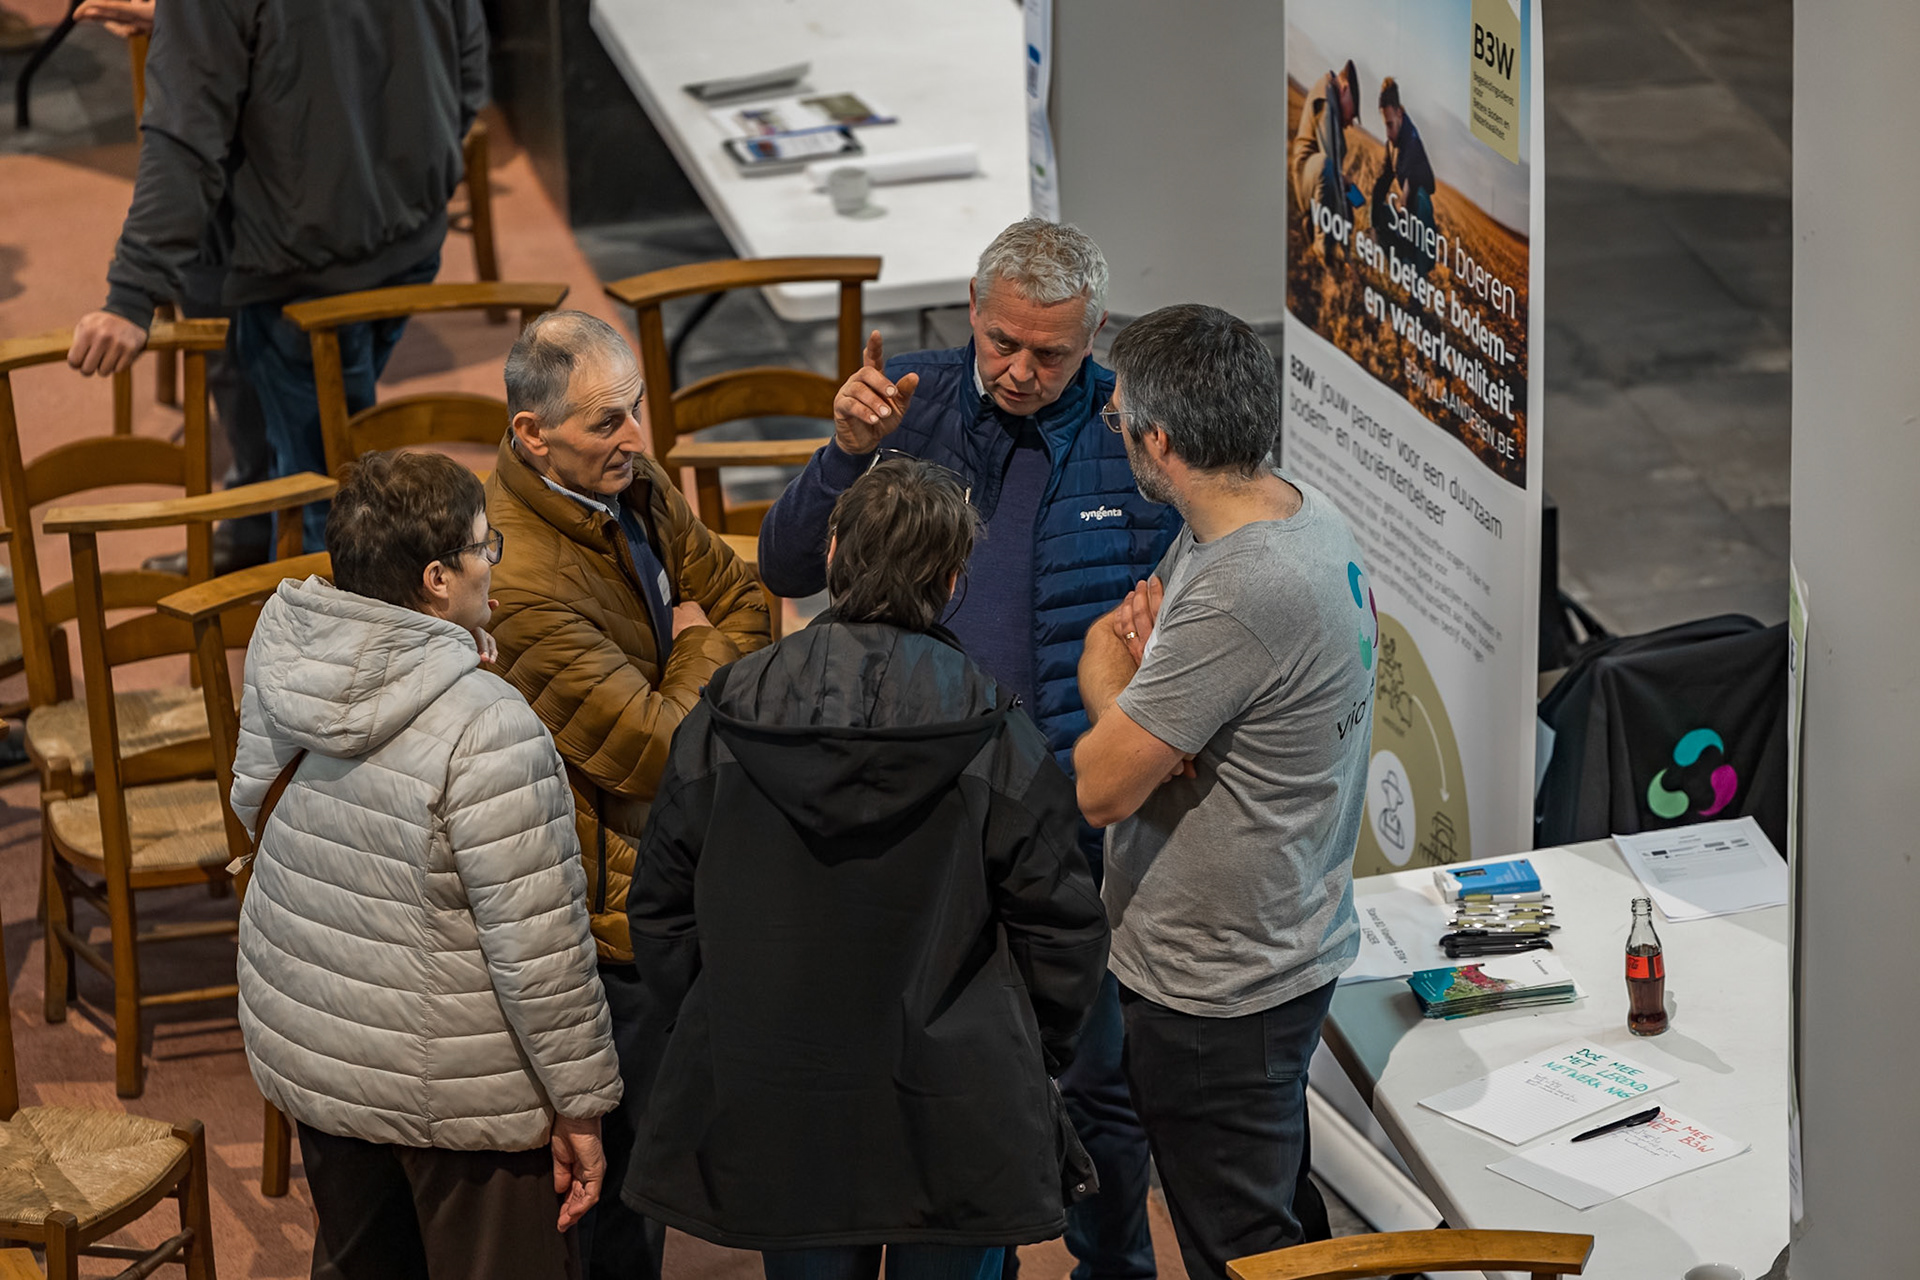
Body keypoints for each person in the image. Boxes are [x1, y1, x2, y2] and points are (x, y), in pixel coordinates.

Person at [758, 218, 1176, 1280]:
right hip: (914, 817)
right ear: (972, 318)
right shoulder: (908, 399)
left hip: (1071, 814)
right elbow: (786, 565)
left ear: (1097, 339)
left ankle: (1113, 1260)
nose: (1021, 371)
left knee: (1099, 1075)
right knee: (920, 1062)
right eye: (1002, 343)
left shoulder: (1141, 435)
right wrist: (845, 452)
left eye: (1051, 354)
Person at [624, 456, 1110, 1280]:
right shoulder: (992, 731)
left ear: (834, 548)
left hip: (779, 1098)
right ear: (953, 579)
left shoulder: (724, 714)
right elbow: (1061, 927)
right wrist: (1035, 1050)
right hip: (960, 1106)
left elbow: (662, 909)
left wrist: (726, 1023)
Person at [231, 448, 621, 1280]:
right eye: (488, 547)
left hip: (322, 1052)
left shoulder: (291, 652)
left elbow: (251, 804)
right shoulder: (488, 725)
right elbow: (541, 956)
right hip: (460, 1092)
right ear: (439, 578)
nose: (495, 566)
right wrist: (581, 1109)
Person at [1072, 305, 1376, 1280]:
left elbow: (1101, 784)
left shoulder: (1243, 591)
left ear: (1160, 440)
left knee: (1240, 1253)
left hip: (1219, 990)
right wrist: (1146, 694)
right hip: (1272, 949)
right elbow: (1122, 639)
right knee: (1271, 1208)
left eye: (1119, 417)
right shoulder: (1287, 508)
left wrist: (1119, 688)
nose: (1113, 429)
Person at [485, 310, 772, 1280]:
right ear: (534, 433)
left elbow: (748, 599)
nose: (638, 440)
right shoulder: (519, 577)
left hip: (681, 857)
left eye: (637, 409)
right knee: (619, 1180)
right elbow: (651, 748)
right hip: (608, 903)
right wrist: (698, 645)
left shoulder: (630, 482)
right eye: (609, 420)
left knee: (665, 1141)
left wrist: (699, 643)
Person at [66, 0, 488, 551]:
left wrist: (131, 294)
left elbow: (183, 140)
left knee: (331, 504)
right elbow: (468, 63)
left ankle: (327, 619)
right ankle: (254, 536)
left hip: (301, 277)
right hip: (408, 237)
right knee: (332, 454)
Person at [1370, 77, 1439, 276]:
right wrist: (1374, 225)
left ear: (1400, 114)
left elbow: (1417, 184)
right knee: (1381, 211)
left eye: (1390, 125)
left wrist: (1404, 203)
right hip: (1406, 219)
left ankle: (1418, 281)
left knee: (1421, 199)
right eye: (1385, 125)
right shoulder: (1392, 145)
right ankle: (1401, 269)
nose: (1388, 133)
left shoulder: (1412, 141)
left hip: (1419, 224)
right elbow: (1382, 183)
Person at [1289, 59, 1360, 246]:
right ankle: (1322, 247)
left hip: (1313, 177)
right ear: (1345, 89)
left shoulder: (1332, 97)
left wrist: (1350, 194)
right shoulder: (1327, 100)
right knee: (1326, 167)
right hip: (1305, 176)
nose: (1351, 123)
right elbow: (1330, 161)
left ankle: (1318, 226)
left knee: (1346, 194)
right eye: (1353, 115)